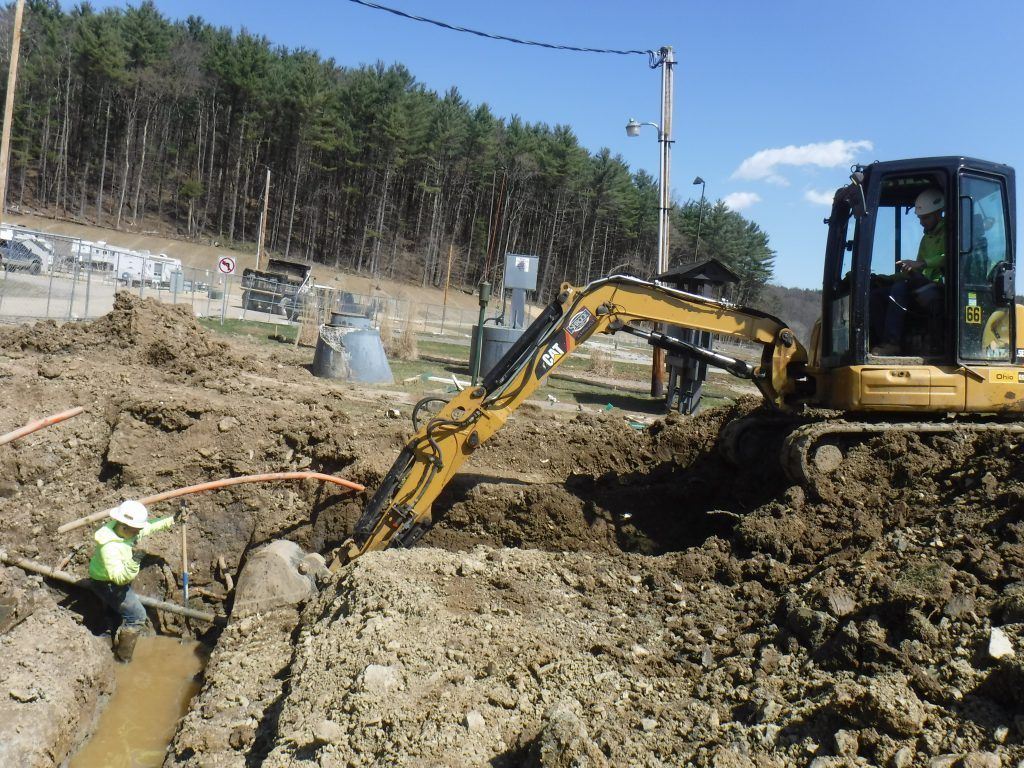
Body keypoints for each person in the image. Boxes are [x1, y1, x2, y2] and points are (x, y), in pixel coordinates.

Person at [88, 499, 189, 661]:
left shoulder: (126, 531)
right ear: (123, 525)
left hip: (111, 578)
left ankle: (105, 635)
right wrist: (134, 561)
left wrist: (173, 519)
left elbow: (149, 527)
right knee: (137, 616)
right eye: (135, 530)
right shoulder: (110, 547)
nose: (138, 534)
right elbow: (120, 579)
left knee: (114, 613)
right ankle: (123, 659)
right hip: (107, 583)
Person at [870, 187, 946, 355]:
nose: (921, 222)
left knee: (900, 289)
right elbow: (915, 268)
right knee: (876, 295)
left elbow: (949, 257)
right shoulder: (927, 238)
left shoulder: (951, 232)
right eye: (920, 218)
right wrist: (886, 278)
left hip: (941, 288)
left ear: (938, 213)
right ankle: (880, 342)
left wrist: (923, 264)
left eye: (925, 218)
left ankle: (893, 343)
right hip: (923, 284)